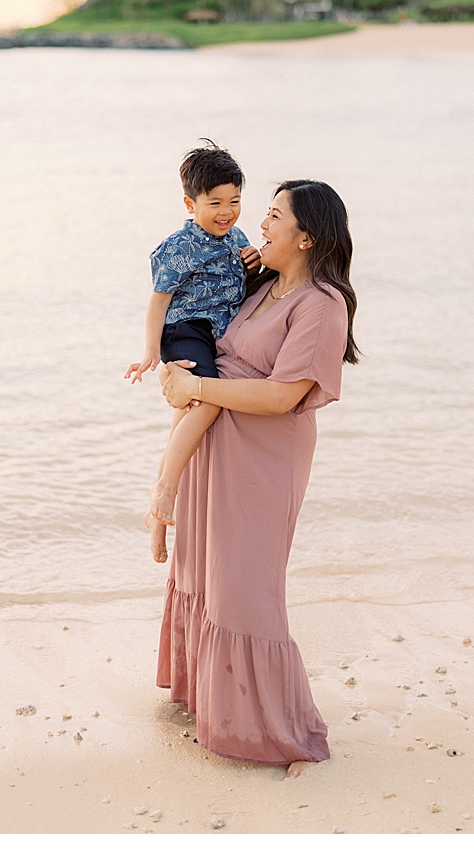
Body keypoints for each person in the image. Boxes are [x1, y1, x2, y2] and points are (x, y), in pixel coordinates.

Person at [153, 180, 359, 775]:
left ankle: (278, 731)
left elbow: (283, 394)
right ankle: (211, 707)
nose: (257, 224)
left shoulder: (321, 303)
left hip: (263, 458)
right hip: (217, 447)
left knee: (246, 589)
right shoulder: (262, 282)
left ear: (307, 236)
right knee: (206, 574)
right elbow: (197, 316)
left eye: (273, 216)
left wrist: (197, 388)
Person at [126, 141, 260, 563]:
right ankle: (166, 489)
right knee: (205, 403)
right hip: (185, 329)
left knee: (187, 412)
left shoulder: (236, 236)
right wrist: (151, 351)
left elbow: (241, 279)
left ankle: (156, 517)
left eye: (235, 201)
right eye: (215, 202)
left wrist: (255, 262)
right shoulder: (181, 246)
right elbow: (158, 300)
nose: (227, 211)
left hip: (212, 332)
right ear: (190, 202)